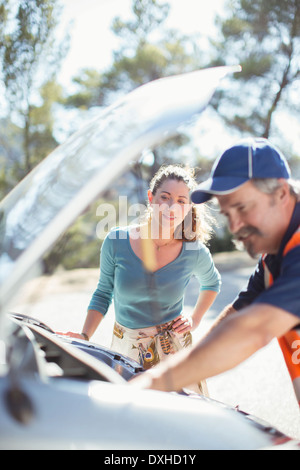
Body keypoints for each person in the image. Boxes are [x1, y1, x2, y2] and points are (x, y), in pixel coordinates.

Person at [130, 138, 300, 407]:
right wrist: (172, 373)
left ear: (280, 194)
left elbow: (254, 330)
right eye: (227, 213)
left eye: (242, 208)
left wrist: (146, 387)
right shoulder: (276, 256)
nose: (235, 226)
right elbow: (239, 316)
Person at [60, 164, 221, 393]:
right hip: (127, 351)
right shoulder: (116, 241)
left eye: (181, 201)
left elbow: (212, 283)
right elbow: (103, 292)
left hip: (175, 352)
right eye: (164, 197)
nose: (171, 206)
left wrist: (194, 320)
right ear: (150, 198)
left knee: (181, 422)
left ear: (188, 208)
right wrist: (85, 335)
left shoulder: (193, 251)